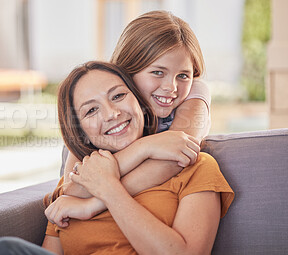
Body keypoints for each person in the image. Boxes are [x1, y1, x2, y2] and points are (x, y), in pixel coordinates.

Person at [0, 61, 234, 255]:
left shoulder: (193, 166)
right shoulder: (76, 184)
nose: (112, 113)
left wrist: (109, 189)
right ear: (81, 131)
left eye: (118, 96)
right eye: (91, 110)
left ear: (140, 102)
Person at [60, 10, 212, 199]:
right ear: (127, 70)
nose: (170, 87)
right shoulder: (97, 115)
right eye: (157, 72)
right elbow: (73, 188)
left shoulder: (195, 93)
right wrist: (145, 147)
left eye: (183, 76)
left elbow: (178, 156)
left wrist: (97, 201)